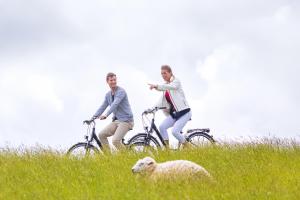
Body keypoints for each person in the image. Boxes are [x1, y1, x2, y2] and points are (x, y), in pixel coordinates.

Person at [148, 65, 192, 148]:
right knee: (162, 127)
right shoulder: (165, 87)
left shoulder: (176, 81)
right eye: (161, 74)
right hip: (175, 114)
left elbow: (171, 87)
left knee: (175, 132)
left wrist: (157, 86)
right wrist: (151, 109)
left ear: (170, 73)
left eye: (165, 73)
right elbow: (161, 101)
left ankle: (189, 148)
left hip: (184, 112)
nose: (163, 75)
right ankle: (167, 150)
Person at [93, 72, 134, 151]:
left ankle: (128, 156)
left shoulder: (121, 91)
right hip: (116, 121)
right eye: (111, 80)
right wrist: (93, 117)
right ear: (107, 82)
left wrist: (106, 115)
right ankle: (109, 157)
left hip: (126, 121)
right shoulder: (108, 95)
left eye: (114, 80)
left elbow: (115, 104)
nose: (113, 82)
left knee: (115, 141)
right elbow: (103, 106)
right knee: (101, 135)